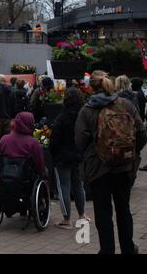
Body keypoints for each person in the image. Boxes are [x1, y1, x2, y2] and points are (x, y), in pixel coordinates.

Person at [75, 70, 147, 254]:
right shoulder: (126, 105)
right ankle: (128, 248)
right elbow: (142, 134)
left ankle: (107, 249)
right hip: (123, 168)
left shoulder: (87, 110)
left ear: (91, 87)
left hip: (99, 170)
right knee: (124, 209)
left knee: (103, 213)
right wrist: (130, 153)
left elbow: (80, 142)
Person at [49, 87, 88, 230]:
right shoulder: (83, 116)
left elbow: (54, 140)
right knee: (78, 185)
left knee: (63, 187)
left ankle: (66, 220)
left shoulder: (61, 117)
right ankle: (82, 215)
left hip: (62, 157)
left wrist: (54, 154)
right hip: (78, 155)